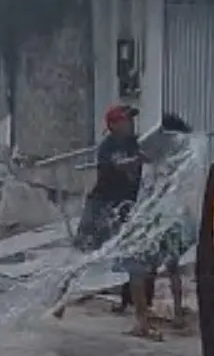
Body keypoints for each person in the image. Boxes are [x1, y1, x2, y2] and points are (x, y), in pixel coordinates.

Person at [118, 112, 198, 340]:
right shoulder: (184, 154)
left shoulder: (158, 151)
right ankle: (178, 316)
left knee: (136, 268)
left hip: (154, 217)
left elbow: (143, 166)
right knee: (172, 267)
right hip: (176, 217)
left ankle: (142, 323)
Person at [65, 104, 145, 317]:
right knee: (82, 252)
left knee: (129, 253)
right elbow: (120, 165)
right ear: (114, 125)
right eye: (126, 120)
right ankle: (61, 298)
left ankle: (132, 309)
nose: (131, 123)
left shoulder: (136, 144)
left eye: (131, 119)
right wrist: (138, 160)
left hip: (125, 206)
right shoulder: (107, 147)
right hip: (101, 205)